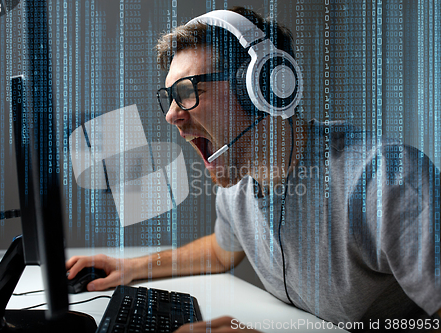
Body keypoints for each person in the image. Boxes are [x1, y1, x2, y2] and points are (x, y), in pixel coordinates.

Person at [67, 7, 441, 332]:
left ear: (266, 86)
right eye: (169, 97)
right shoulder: (238, 180)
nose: (170, 115)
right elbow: (220, 251)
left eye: (186, 91)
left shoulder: (386, 180)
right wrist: (131, 268)